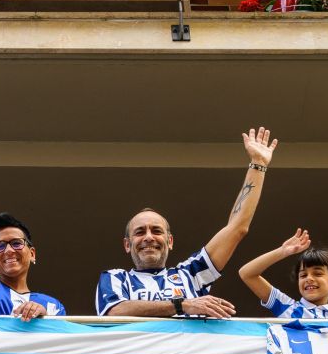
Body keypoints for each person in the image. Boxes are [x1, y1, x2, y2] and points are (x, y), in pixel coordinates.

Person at [96, 128, 277, 317]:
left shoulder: (191, 274)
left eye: (156, 231)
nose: (149, 237)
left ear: (170, 241)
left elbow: (236, 228)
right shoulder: (115, 277)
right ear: (127, 244)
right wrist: (183, 305)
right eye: (140, 232)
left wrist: (258, 165)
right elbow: (115, 311)